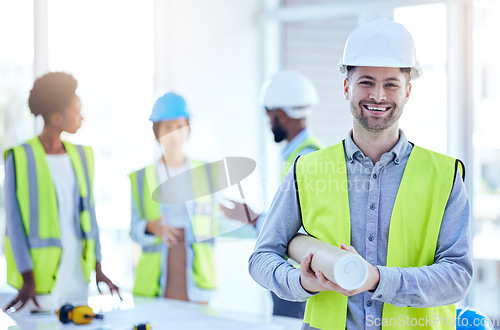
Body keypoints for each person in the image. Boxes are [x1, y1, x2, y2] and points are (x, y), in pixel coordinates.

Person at [248, 17, 472, 330]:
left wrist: (377, 278)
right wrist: (301, 281)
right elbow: (261, 257)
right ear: (346, 87)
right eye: (366, 81)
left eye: (390, 84)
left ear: (408, 91)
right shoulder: (307, 169)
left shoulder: (445, 176)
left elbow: (457, 277)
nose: (378, 96)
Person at [3, 72, 121, 313]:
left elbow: (90, 214)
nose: (82, 117)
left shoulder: (83, 155)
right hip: (39, 282)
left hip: (78, 275)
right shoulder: (20, 157)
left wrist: (98, 267)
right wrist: (27, 278)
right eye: (76, 111)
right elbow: (13, 225)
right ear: (57, 118)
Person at [224, 70, 323, 318]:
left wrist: (253, 218)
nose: (269, 124)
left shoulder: (304, 159)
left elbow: (298, 228)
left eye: (269, 117)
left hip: (297, 280)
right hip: (296, 278)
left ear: (280, 115)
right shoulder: (302, 155)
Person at [130, 92, 232, 303]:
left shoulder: (207, 172)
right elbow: (133, 230)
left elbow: (217, 222)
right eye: (167, 128)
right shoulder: (141, 178)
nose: (174, 135)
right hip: (155, 282)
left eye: (179, 127)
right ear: (156, 131)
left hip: (197, 278)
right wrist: (149, 227)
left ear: (188, 129)